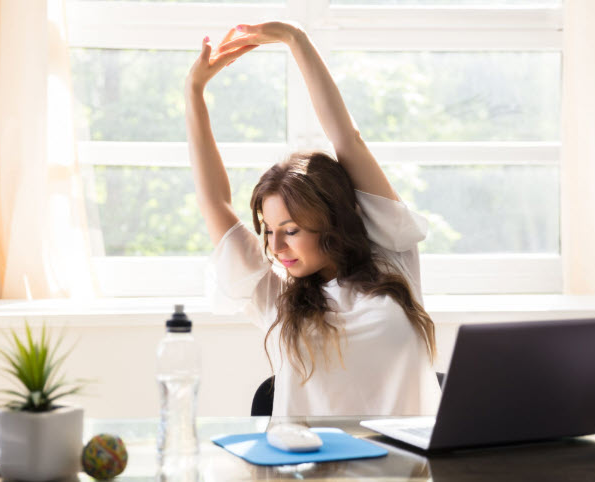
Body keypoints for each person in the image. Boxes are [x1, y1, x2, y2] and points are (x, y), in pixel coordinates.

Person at [185, 21, 440, 416]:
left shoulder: (393, 255)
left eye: (291, 230)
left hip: (405, 456)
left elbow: (348, 140)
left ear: (332, 220)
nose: (275, 246)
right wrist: (194, 91)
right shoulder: (276, 298)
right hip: (306, 457)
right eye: (268, 230)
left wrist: (295, 39)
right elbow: (214, 202)